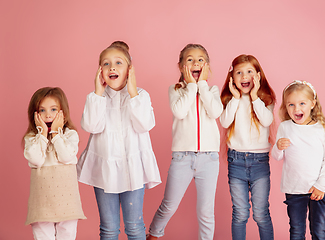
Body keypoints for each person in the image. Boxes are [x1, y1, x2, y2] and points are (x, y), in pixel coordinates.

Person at [77, 41, 161, 240]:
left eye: (118, 63)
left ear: (129, 69)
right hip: (104, 172)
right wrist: (97, 92)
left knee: (134, 227)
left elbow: (144, 125)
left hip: (133, 172)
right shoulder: (97, 97)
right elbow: (91, 126)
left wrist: (132, 91)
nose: (111, 67)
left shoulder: (140, 95)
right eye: (105, 64)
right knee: (108, 228)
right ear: (100, 71)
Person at [147, 44, 223, 240]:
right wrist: (191, 87)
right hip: (182, 157)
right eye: (189, 59)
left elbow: (215, 112)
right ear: (181, 67)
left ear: (207, 66)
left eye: (200, 59)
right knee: (169, 204)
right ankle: (154, 234)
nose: (195, 62)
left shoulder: (212, 90)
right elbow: (179, 112)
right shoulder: (176, 90)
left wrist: (202, 86)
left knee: (206, 212)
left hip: (209, 159)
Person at [220, 55, 276, 240]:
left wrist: (254, 97)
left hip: (259, 163)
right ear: (232, 78)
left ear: (258, 76)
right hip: (236, 161)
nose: (244, 76)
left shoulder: (265, 99)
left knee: (261, 213)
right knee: (240, 213)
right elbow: (225, 121)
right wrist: (236, 99)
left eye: (249, 72)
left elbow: (267, 120)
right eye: (239, 73)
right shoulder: (231, 100)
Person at [272, 80, 325, 240]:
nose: (296, 109)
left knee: (319, 232)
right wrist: (278, 146)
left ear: (312, 103)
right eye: (291, 104)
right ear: (285, 107)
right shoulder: (285, 127)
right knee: (296, 231)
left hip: (317, 190)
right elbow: (277, 156)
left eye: (302, 103)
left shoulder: (321, 128)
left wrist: (321, 186)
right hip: (294, 189)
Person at [24, 87, 86, 240]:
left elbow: (65, 157)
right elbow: (36, 160)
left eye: (53, 109)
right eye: (42, 110)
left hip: (67, 203)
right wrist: (43, 135)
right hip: (41, 204)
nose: (48, 115)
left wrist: (57, 134)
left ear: (63, 112)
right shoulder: (32, 138)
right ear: (35, 114)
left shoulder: (70, 135)